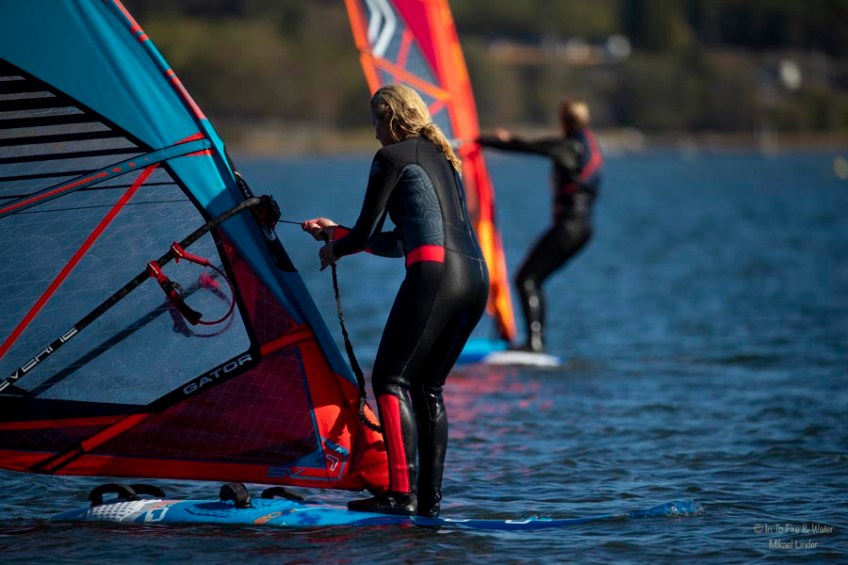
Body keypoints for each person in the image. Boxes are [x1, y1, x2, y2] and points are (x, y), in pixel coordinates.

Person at [302, 84, 489, 517]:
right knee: (427, 387)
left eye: (374, 121)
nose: (373, 133)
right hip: (475, 279)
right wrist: (337, 233)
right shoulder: (443, 159)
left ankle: (399, 495)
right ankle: (428, 503)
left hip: (436, 276)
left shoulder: (390, 157)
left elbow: (367, 233)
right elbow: (398, 241)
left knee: (390, 379)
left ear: (389, 117)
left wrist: (336, 249)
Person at [477, 98, 603, 353]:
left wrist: (494, 142)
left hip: (570, 228)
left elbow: (535, 147)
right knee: (533, 278)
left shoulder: (572, 147)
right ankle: (536, 342)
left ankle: (534, 344)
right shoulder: (588, 143)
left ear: (564, 120)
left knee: (527, 278)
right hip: (582, 228)